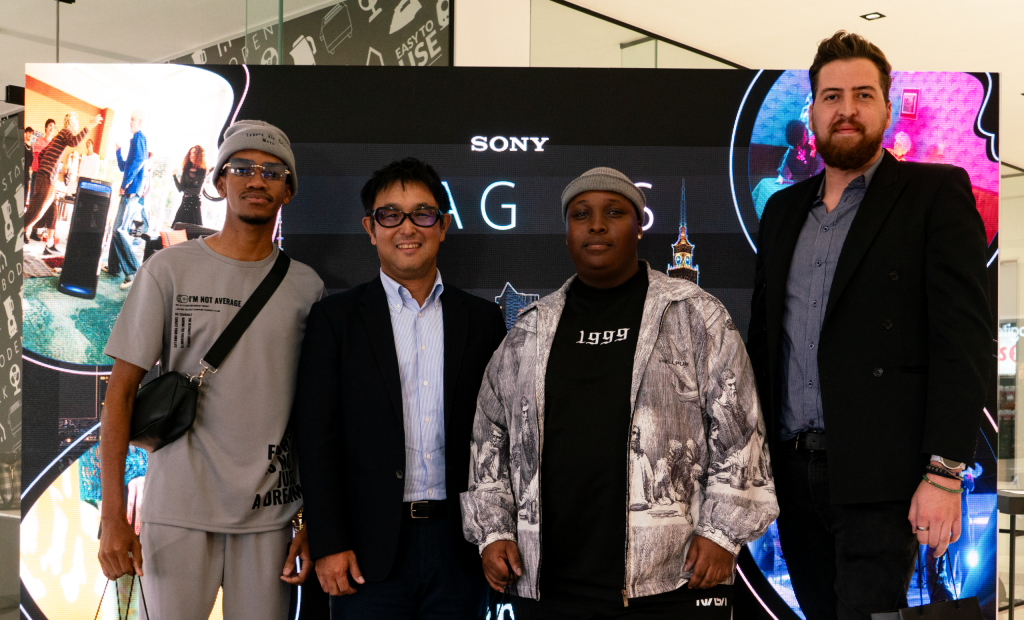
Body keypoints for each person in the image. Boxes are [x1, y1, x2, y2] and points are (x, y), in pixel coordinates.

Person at [746, 31, 992, 620]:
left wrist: (944, 475)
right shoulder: (781, 210)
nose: (847, 109)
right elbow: (765, 342)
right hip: (790, 474)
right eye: (832, 97)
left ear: (886, 107)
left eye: (863, 95)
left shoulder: (934, 194)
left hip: (884, 476)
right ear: (813, 112)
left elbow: (961, 342)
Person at [461, 167, 779, 619]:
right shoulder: (529, 329)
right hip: (550, 580)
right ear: (566, 233)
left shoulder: (694, 314)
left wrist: (723, 534)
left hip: (673, 575)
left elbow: (740, 429)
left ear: (639, 226)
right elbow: (489, 436)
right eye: (581, 215)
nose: (596, 225)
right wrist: (493, 532)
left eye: (614, 212)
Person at [98, 120, 322, 620]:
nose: (257, 180)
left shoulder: (307, 287)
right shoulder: (168, 269)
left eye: (272, 172)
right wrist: (112, 515)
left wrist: (315, 519)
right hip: (176, 511)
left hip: (269, 517)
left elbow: (318, 413)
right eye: (242, 168)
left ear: (288, 190)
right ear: (220, 181)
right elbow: (121, 394)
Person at [292, 157, 506, 619]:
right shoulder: (335, 320)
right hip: (364, 550)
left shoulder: (482, 320)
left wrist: (497, 533)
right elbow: (315, 437)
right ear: (371, 229)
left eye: (422, 214)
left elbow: (499, 437)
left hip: (460, 547)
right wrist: (329, 541)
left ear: (442, 226)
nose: (407, 227)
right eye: (390, 215)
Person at [25, 112, 102, 250]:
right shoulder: (66, 131)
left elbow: (42, 153)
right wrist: (90, 125)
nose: (77, 125)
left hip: (47, 176)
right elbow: (75, 142)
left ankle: (49, 244)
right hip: (46, 176)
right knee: (37, 210)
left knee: (52, 209)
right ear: (72, 122)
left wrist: (47, 167)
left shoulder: (58, 137)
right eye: (76, 123)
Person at [106, 110, 147, 287]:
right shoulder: (134, 140)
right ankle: (114, 267)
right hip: (128, 190)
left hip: (131, 191)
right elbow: (124, 167)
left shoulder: (140, 138)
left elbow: (139, 162)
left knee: (119, 230)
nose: (130, 123)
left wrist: (126, 184)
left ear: (140, 123)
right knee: (116, 229)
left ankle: (132, 271)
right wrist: (118, 151)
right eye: (130, 120)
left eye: (133, 120)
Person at [172, 145, 207, 225]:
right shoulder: (186, 169)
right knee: (177, 226)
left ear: (199, 155)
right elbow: (180, 188)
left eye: (194, 153)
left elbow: (196, 191)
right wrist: (174, 176)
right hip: (185, 201)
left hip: (194, 203)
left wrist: (186, 189)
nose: (191, 155)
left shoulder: (202, 170)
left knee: (192, 228)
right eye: (190, 153)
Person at [23, 127, 34, 206]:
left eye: (32, 134)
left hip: (26, 176)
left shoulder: (31, 148)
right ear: (25, 134)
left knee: (24, 196)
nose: (30, 135)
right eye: (29, 133)